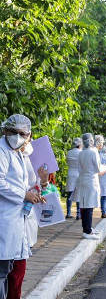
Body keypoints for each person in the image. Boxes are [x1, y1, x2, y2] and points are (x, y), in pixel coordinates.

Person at [0, 115, 44, 299]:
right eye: (13, 132)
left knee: (12, 271)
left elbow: (21, 183)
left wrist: (33, 192)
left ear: (29, 135)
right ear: (5, 131)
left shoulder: (16, 152)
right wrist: (24, 195)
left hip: (16, 217)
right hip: (5, 216)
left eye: (22, 133)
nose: (17, 137)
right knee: (2, 273)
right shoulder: (2, 151)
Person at [70, 133, 101, 240]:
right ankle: (87, 231)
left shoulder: (81, 153)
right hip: (91, 180)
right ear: (91, 141)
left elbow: (79, 169)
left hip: (83, 180)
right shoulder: (93, 152)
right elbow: (98, 168)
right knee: (89, 207)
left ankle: (88, 228)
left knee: (84, 205)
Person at [65, 138, 82, 219]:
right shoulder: (81, 153)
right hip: (79, 173)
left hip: (71, 173)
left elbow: (67, 162)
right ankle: (78, 213)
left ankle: (68, 212)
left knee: (70, 194)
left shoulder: (69, 153)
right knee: (79, 193)